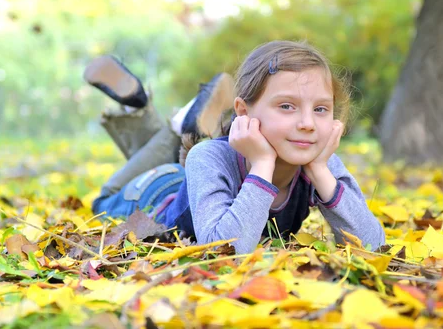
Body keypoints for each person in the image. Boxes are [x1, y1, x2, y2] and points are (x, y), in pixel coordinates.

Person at [85, 41, 386, 254]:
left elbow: (373, 245)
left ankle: (176, 122)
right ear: (244, 112)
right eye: (286, 106)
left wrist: (320, 171)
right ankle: (167, 120)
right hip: (155, 192)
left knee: (191, 153)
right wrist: (263, 165)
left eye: (321, 109)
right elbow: (226, 249)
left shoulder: (319, 162)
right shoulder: (209, 157)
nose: (308, 123)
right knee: (103, 199)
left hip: (198, 178)